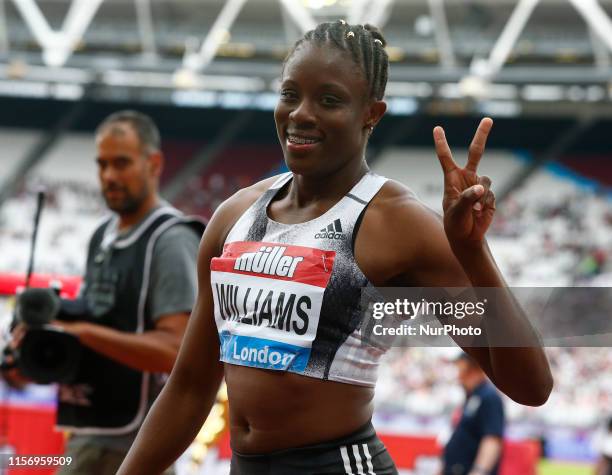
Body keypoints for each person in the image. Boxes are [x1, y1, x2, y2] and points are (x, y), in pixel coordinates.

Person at [118, 21, 553, 475]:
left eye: (329, 100)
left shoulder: (400, 225)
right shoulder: (233, 217)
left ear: (372, 113)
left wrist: (473, 253)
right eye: (290, 94)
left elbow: (531, 386)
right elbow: (189, 388)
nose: (301, 114)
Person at [4, 110, 204, 475]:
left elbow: (175, 353)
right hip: (88, 433)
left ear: (153, 163)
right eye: (102, 165)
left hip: (131, 446)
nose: (109, 176)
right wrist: (33, 354)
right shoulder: (102, 234)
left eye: (122, 163)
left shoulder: (170, 239)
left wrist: (78, 333)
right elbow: (95, 337)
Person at [441, 353, 505, 475]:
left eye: (460, 369)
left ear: (472, 368)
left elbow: (492, 439)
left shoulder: (489, 397)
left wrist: (479, 471)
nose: (458, 375)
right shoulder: (472, 396)